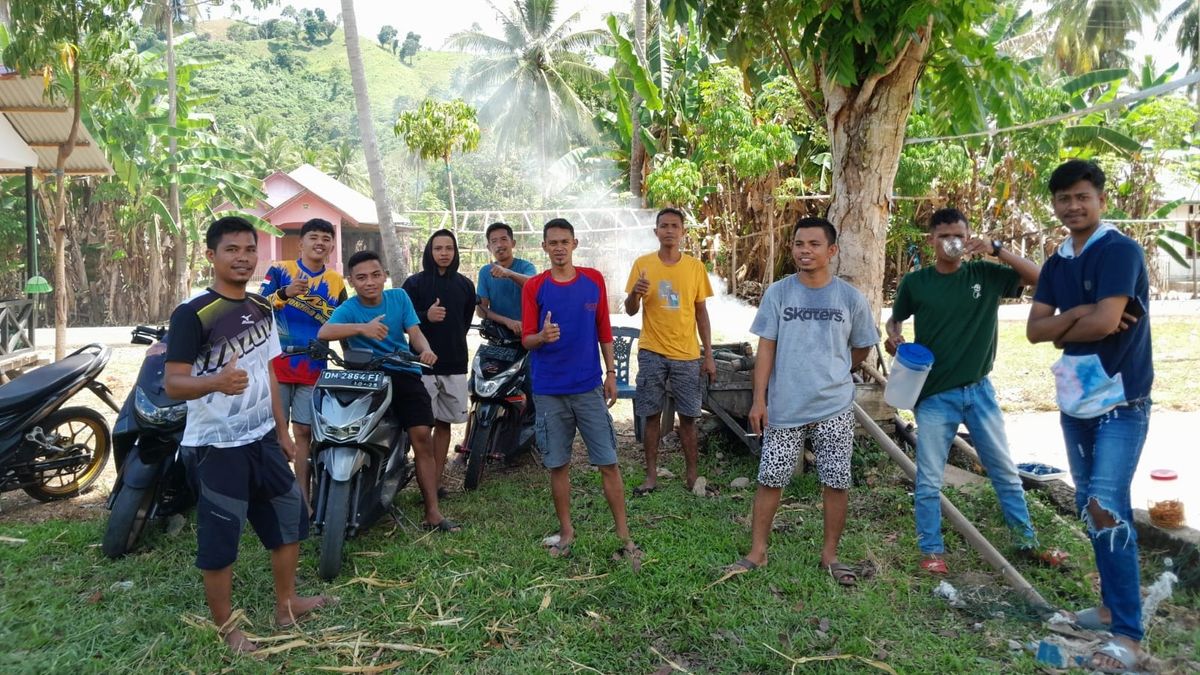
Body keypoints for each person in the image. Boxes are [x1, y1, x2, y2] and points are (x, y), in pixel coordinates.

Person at [164, 216, 332, 654]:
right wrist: (215, 382)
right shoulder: (192, 314)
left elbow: (270, 374)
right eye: (231, 250)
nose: (242, 258)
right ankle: (227, 628)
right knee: (222, 540)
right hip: (216, 446)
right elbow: (174, 383)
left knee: (290, 522)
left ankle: (287, 604)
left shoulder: (261, 308)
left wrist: (281, 430)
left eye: (249, 250)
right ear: (211, 256)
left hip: (261, 439)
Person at [886, 207, 1067, 575]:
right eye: (943, 236)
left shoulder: (986, 273)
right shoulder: (917, 282)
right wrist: (893, 336)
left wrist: (997, 249)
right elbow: (896, 317)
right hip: (934, 394)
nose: (951, 242)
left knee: (1004, 472)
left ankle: (1026, 542)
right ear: (932, 240)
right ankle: (932, 551)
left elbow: (1043, 280)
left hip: (980, 392)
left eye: (958, 235)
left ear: (968, 238)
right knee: (929, 478)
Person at [1027, 159, 1152, 673]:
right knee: (1090, 508)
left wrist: (1070, 321)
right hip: (1075, 402)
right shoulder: (1057, 261)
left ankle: (1129, 633)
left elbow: (1107, 324)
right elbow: (1035, 331)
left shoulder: (1120, 250)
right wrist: (1078, 317)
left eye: (1082, 196)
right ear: (1054, 204)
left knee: (1106, 506)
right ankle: (1108, 608)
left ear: (1101, 198)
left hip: (1121, 401)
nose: (1073, 206)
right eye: (1064, 199)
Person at [726, 217, 878, 586]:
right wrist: (758, 400)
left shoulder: (849, 298)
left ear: (832, 251)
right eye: (798, 244)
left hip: (834, 406)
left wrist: (836, 370)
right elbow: (766, 349)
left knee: (836, 481)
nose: (804, 250)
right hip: (785, 406)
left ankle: (830, 556)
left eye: (813, 244)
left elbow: (862, 346)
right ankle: (757, 552)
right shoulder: (780, 293)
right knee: (771, 477)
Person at [521, 218, 641, 565]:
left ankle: (623, 534)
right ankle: (567, 530)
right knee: (558, 465)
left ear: (575, 244)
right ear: (544, 247)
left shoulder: (593, 281)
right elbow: (526, 338)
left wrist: (612, 374)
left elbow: (604, 328)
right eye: (552, 242)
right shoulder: (535, 287)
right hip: (549, 389)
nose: (558, 248)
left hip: (588, 387)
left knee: (609, 462)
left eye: (564, 241)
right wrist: (541, 338)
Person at [318, 251, 460, 533]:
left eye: (375, 275)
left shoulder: (398, 298)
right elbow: (324, 332)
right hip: (365, 376)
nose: (369, 282)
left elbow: (414, 332)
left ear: (384, 275)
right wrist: (364, 328)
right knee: (347, 430)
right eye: (361, 277)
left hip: (403, 372)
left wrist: (426, 350)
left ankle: (432, 510)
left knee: (421, 436)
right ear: (352, 281)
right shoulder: (350, 308)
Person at [623, 207, 715, 494]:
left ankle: (691, 476)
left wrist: (708, 353)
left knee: (688, 417)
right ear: (656, 231)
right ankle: (651, 476)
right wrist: (634, 293)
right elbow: (629, 311)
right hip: (651, 350)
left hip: (687, 354)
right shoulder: (643, 264)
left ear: (683, 232)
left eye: (675, 225)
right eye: (664, 225)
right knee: (650, 414)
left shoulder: (695, 267)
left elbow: (701, 312)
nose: (669, 230)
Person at [259, 217, 347, 507]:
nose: (320, 243)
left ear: (332, 245)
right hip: (277, 366)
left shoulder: (336, 282)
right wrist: (284, 293)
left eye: (325, 238)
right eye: (314, 237)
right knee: (274, 432)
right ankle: (272, 496)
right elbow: (256, 306)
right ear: (301, 242)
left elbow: (343, 321)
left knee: (304, 432)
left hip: (314, 367)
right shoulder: (280, 270)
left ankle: (303, 499)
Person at [402, 229, 475, 497]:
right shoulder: (414, 284)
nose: (444, 253)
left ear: (455, 252)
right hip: (421, 365)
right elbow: (402, 321)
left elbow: (465, 322)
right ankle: (423, 481)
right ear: (429, 252)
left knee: (444, 423)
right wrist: (426, 315)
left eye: (449, 248)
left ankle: (437, 481)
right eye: (438, 248)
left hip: (455, 363)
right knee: (423, 425)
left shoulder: (466, 286)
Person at [477, 221, 537, 333]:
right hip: (498, 334)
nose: (499, 245)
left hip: (527, 331)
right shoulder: (485, 272)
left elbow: (534, 285)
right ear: (489, 247)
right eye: (494, 241)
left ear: (513, 243)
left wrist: (510, 273)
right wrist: (507, 321)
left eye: (504, 239)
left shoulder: (526, 267)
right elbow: (481, 311)